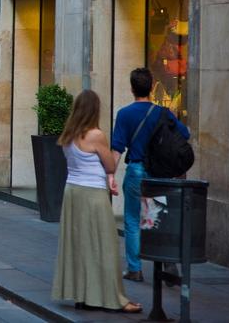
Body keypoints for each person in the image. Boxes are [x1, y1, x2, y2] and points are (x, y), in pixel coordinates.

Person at [52, 90, 142, 314]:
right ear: (95, 110)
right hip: (92, 194)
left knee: (80, 245)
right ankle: (114, 299)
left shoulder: (68, 134)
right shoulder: (95, 135)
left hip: (72, 192)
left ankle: (83, 295)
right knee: (106, 245)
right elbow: (110, 165)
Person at [111, 68, 189, 282]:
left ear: (132, 88)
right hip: (160, 173)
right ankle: (168, 262)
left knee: (133, 219)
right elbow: (185, 134)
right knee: (159, 216)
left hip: (136, 171)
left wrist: (110, 175)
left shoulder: (125, 114)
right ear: (152, 86)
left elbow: (117, 148)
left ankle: (135, 269)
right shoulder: (162, 113)